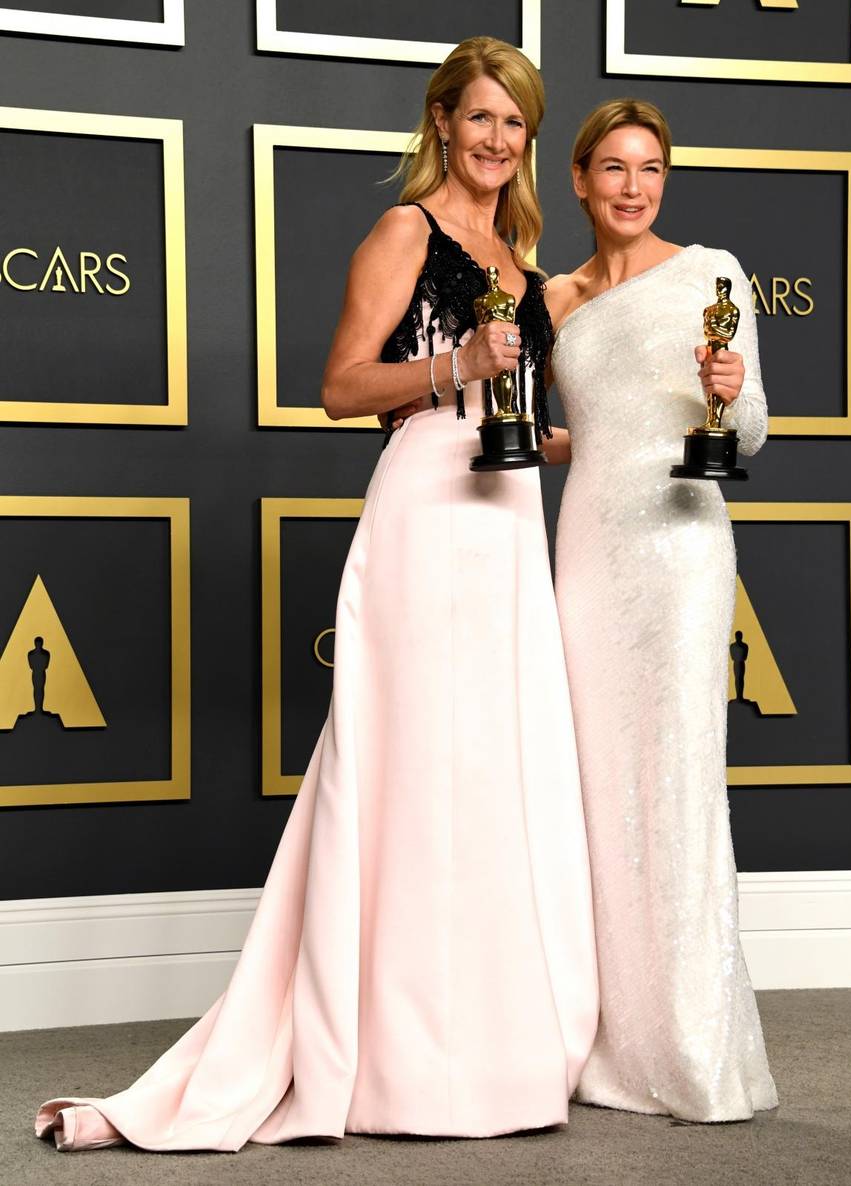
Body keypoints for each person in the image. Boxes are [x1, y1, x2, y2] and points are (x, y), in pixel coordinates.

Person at [34, 38, 597, 1154]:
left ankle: (488, 1050)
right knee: (409, 767)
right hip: (428, 512)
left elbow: (527, 409)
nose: (496, 140)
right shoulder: (407, 231)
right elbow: (341, 386)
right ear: (440, 122)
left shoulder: (521, 258)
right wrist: (456, 369)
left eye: (515, 124)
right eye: (479, 118)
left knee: (490, 769)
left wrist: (612, 440)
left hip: (505, 522)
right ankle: (396, 1059)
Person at [545, 98, 777, 1122]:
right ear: (579, 181)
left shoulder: (710, 275)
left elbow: (751, 430)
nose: (632, 187)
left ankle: (685, 1045)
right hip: (586, 546)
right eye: (612, 169)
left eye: (649, 169)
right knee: (590, 785)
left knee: (675, 777)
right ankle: (593, 1030)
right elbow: (578, 426)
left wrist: (730, 388)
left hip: (679, 545)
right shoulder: (550, 297)